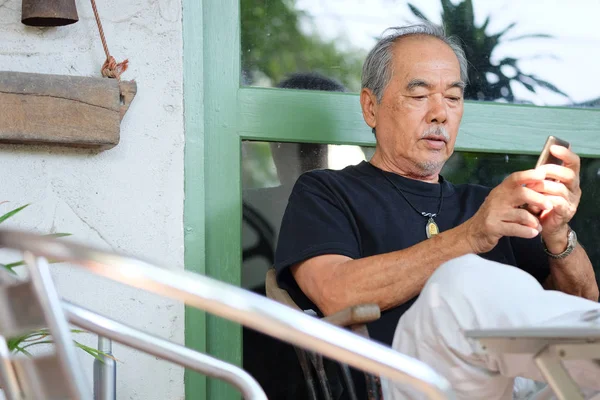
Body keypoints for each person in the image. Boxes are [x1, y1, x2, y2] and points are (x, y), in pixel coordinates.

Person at [273, 24, 600, 399]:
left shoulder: (486, 203)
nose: (440, 114)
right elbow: (336, 293)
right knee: (461, 280)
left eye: (453, 98)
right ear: (370, 106)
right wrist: (471, 237)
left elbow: (582, 308)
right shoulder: (326, 192)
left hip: (520, 388)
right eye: (419, 94)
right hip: (402, 385)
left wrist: (557, 234)